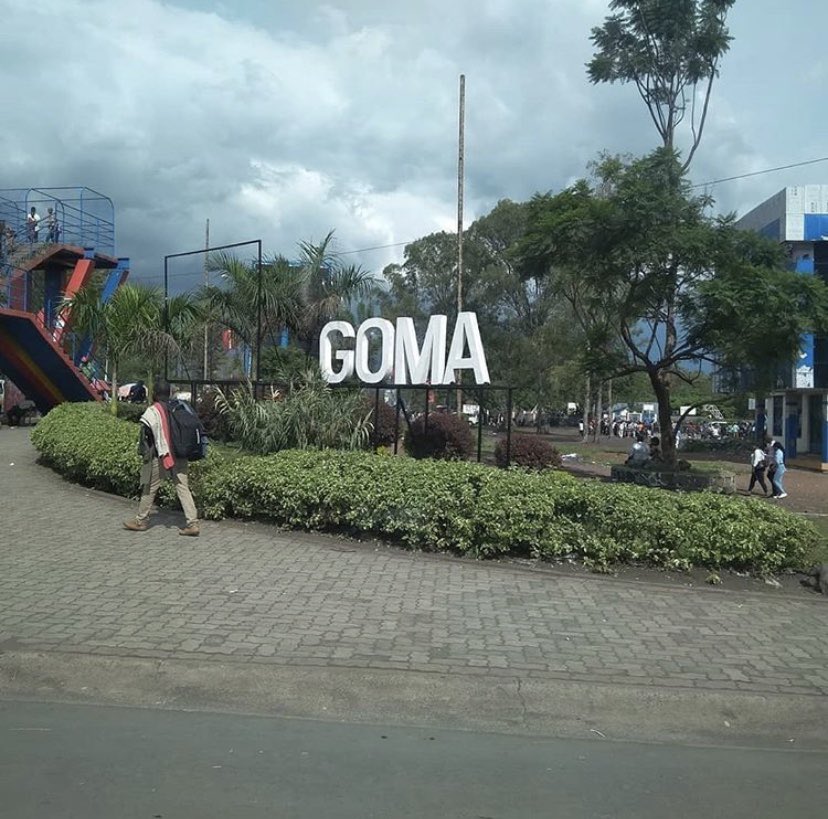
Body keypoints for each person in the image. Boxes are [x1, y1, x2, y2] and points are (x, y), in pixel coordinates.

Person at [123, 379, 200, 536]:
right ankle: (192, 523)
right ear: (170, 393)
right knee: (182, 487)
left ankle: (140, 521)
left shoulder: (153, 411)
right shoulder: (177, 407)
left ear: (155, 394)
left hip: (161, 455)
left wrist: (145, 456)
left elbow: (146, 436)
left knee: (150, 487)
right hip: (180, 453)